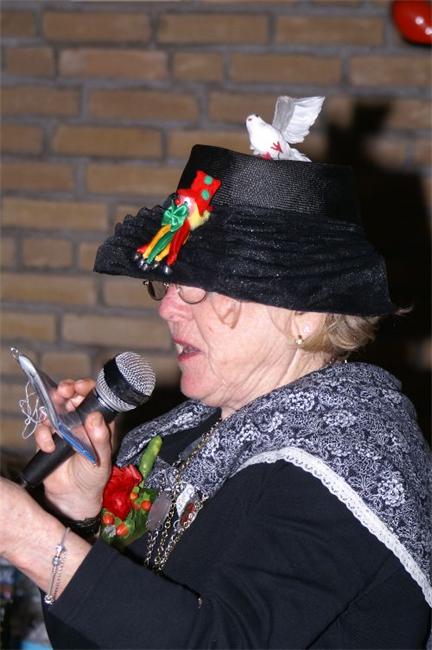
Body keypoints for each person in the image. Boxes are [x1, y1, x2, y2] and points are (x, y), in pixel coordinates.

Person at [0, 136, 430, 649]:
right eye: (170, 284)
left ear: (307, 313)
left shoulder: (357, 456)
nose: (168, 308)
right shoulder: (184, 436)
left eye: (198, 285)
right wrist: (78, 510)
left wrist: (29, 537)